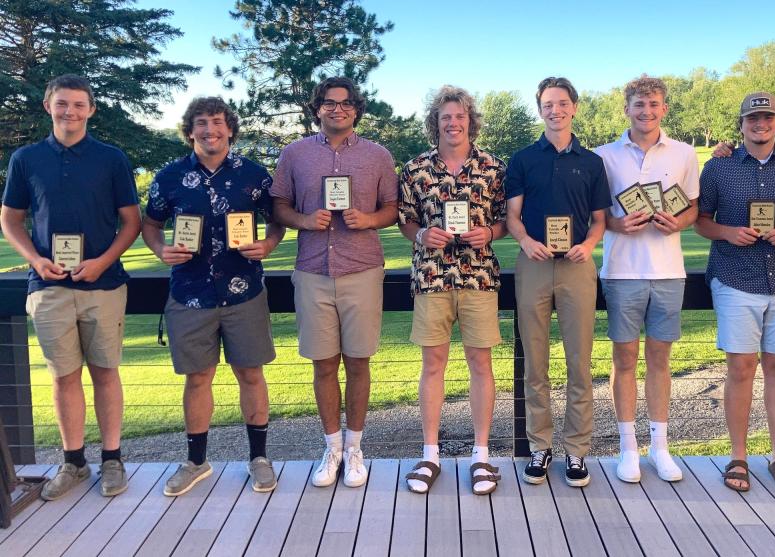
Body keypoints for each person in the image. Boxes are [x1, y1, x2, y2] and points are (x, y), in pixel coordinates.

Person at [1, 74, 141, 500]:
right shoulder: (26, 159)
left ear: (91, 110)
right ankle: (74, 463)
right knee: (63, 377)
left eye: (79, 105)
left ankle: (112, 459)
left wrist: (102, 262)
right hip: (47, 286)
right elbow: (10, 219)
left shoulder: (111, 158)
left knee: (105, 373)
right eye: (62, 104)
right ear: (48, 106)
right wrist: (36, 260)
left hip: (104, 284)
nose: (70, 112)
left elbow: (131, 221)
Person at [142, 97, 283, 495]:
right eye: (202, 123)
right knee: (198, 378)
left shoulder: (254, 175)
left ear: (230, 129)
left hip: (245, 293)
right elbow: (150, 224)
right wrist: (159, 250)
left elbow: (278, 222)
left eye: (218, 123)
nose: (210, 130)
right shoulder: (169, 177)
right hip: (190, 294)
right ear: (190, 130)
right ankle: (196, 462)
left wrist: (269, 245)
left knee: (251, 374)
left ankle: (258, 458)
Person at [271, 77, 398, 488]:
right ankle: (332, 449)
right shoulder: (295, 155)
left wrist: (370, 219)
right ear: (318, 109)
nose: (337, 109)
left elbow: (393, 208)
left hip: (361, 268)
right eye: (329, 103)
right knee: (324, 364)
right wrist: (305, 220)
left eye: (345, 103)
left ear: (357, 109)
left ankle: (356, 448)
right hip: (312, 270)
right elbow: (279, 206)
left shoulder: (378, 156)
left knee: (358, 362)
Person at [695, 92, 775, 493]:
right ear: (742, 123)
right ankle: (739, 456)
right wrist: (728, 232)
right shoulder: (719, 167)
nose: (760, 124)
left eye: (767, 117)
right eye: (753, 118)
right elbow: (700, 221)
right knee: (741, 368)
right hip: (735, 278)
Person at [398, 86, 507, 495]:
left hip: (479, 277)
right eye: (446, 117)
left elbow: (508, 220)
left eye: (459, 116)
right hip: (432, 278)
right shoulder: (415, 169)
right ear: (436, 122)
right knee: (432, 365)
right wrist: (423, 233)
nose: (453, 123)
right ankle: (430, 454)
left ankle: (482, 456)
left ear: (470, 120)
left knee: (481, 365)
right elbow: (405, 221)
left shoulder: (494, 167)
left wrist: (491, 232)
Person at [506, 77, 611, 487]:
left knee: (578, 363)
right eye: (548, 104)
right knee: (535, 363)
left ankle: (577, 452)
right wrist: (526, 241)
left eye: (563, 103)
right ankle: (540, 446)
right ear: (540, 109)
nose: (556, 110)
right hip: (533, 265)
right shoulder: (523, 159)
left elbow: (600, 220)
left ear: (574, 108)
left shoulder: (591, 161)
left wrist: (589, 245)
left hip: (576, 266)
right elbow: (513, 215)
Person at [594, 76, 700, 483]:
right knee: (624, 361)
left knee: (660, 360)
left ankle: (660, 447)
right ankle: (628, 449)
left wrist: (679, 222)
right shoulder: (604, 156)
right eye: (639, 104)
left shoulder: (684, 153)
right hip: (621, 273)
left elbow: (693, 208)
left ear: (664, 109)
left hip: (669, 273)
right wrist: (617, 225)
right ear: (627, 108)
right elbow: (597, 213)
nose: (646, 111)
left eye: (654, 104)